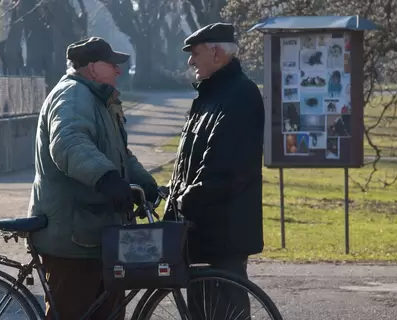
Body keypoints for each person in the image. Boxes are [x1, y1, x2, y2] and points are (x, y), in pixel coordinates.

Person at [27, 36, 158, 320]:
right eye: (113, 65)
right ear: (93, 67)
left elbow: (119, 154)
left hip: (96, 234)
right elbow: (68, 143)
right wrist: (107, 178)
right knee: (74, 313)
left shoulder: (98, 99)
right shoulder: (73, 95)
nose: (119, 71)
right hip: (73, 239)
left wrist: (145, 183)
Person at [165, 22, 265, 319]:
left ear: (217, 53)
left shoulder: (239, 96)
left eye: (195, 53)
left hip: (223, 233)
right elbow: (190, 161)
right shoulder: (210, 95)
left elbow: (227, 169)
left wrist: (184, 199)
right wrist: (172, 196)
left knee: (223, 312)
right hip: (203, 232)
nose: (190, 61)